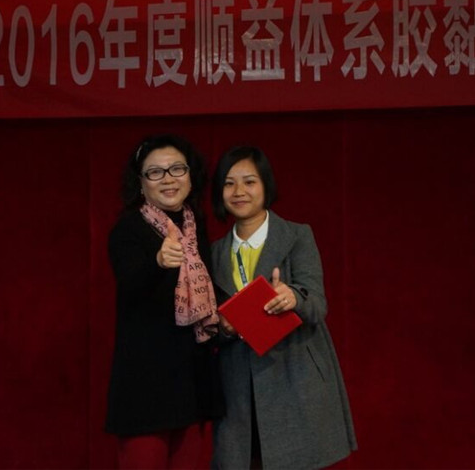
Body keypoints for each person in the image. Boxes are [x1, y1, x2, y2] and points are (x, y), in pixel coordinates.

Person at [210, 146, 357, 470]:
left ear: (266, 185)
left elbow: (317, 306)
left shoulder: (297, 236)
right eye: (229, 183)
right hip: (239, 392)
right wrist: (224, 327)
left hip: (295, 380)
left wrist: (293, 297)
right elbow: (209, 328)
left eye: (249, 181)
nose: (239, 191)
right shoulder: (214, 253)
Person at [105, 134, 224, 469]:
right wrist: (157, 262)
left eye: (177, 169)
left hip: (192, 381)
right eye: (155, 172)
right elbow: (130, 283)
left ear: (190, 176)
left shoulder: (195, 225)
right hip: (146, 386)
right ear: (141, 184)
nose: (168, 178)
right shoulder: (128, 229)